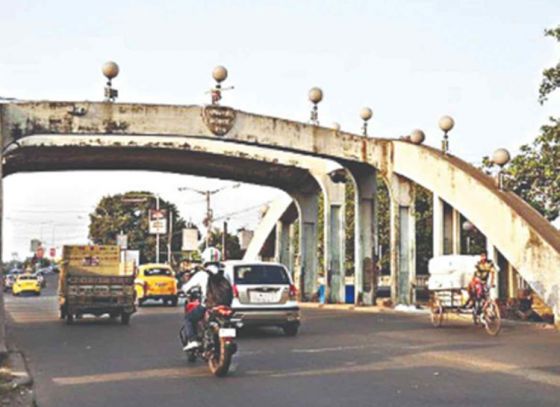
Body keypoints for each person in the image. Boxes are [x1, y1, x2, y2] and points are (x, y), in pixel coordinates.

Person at [181, 247, 233, 351]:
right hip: (226, 306)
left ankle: (193, 340)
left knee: (189, 318)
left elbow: (186, 287)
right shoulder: (225, 273)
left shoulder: (202, 274)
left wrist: (183, 290)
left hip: (209, 306)